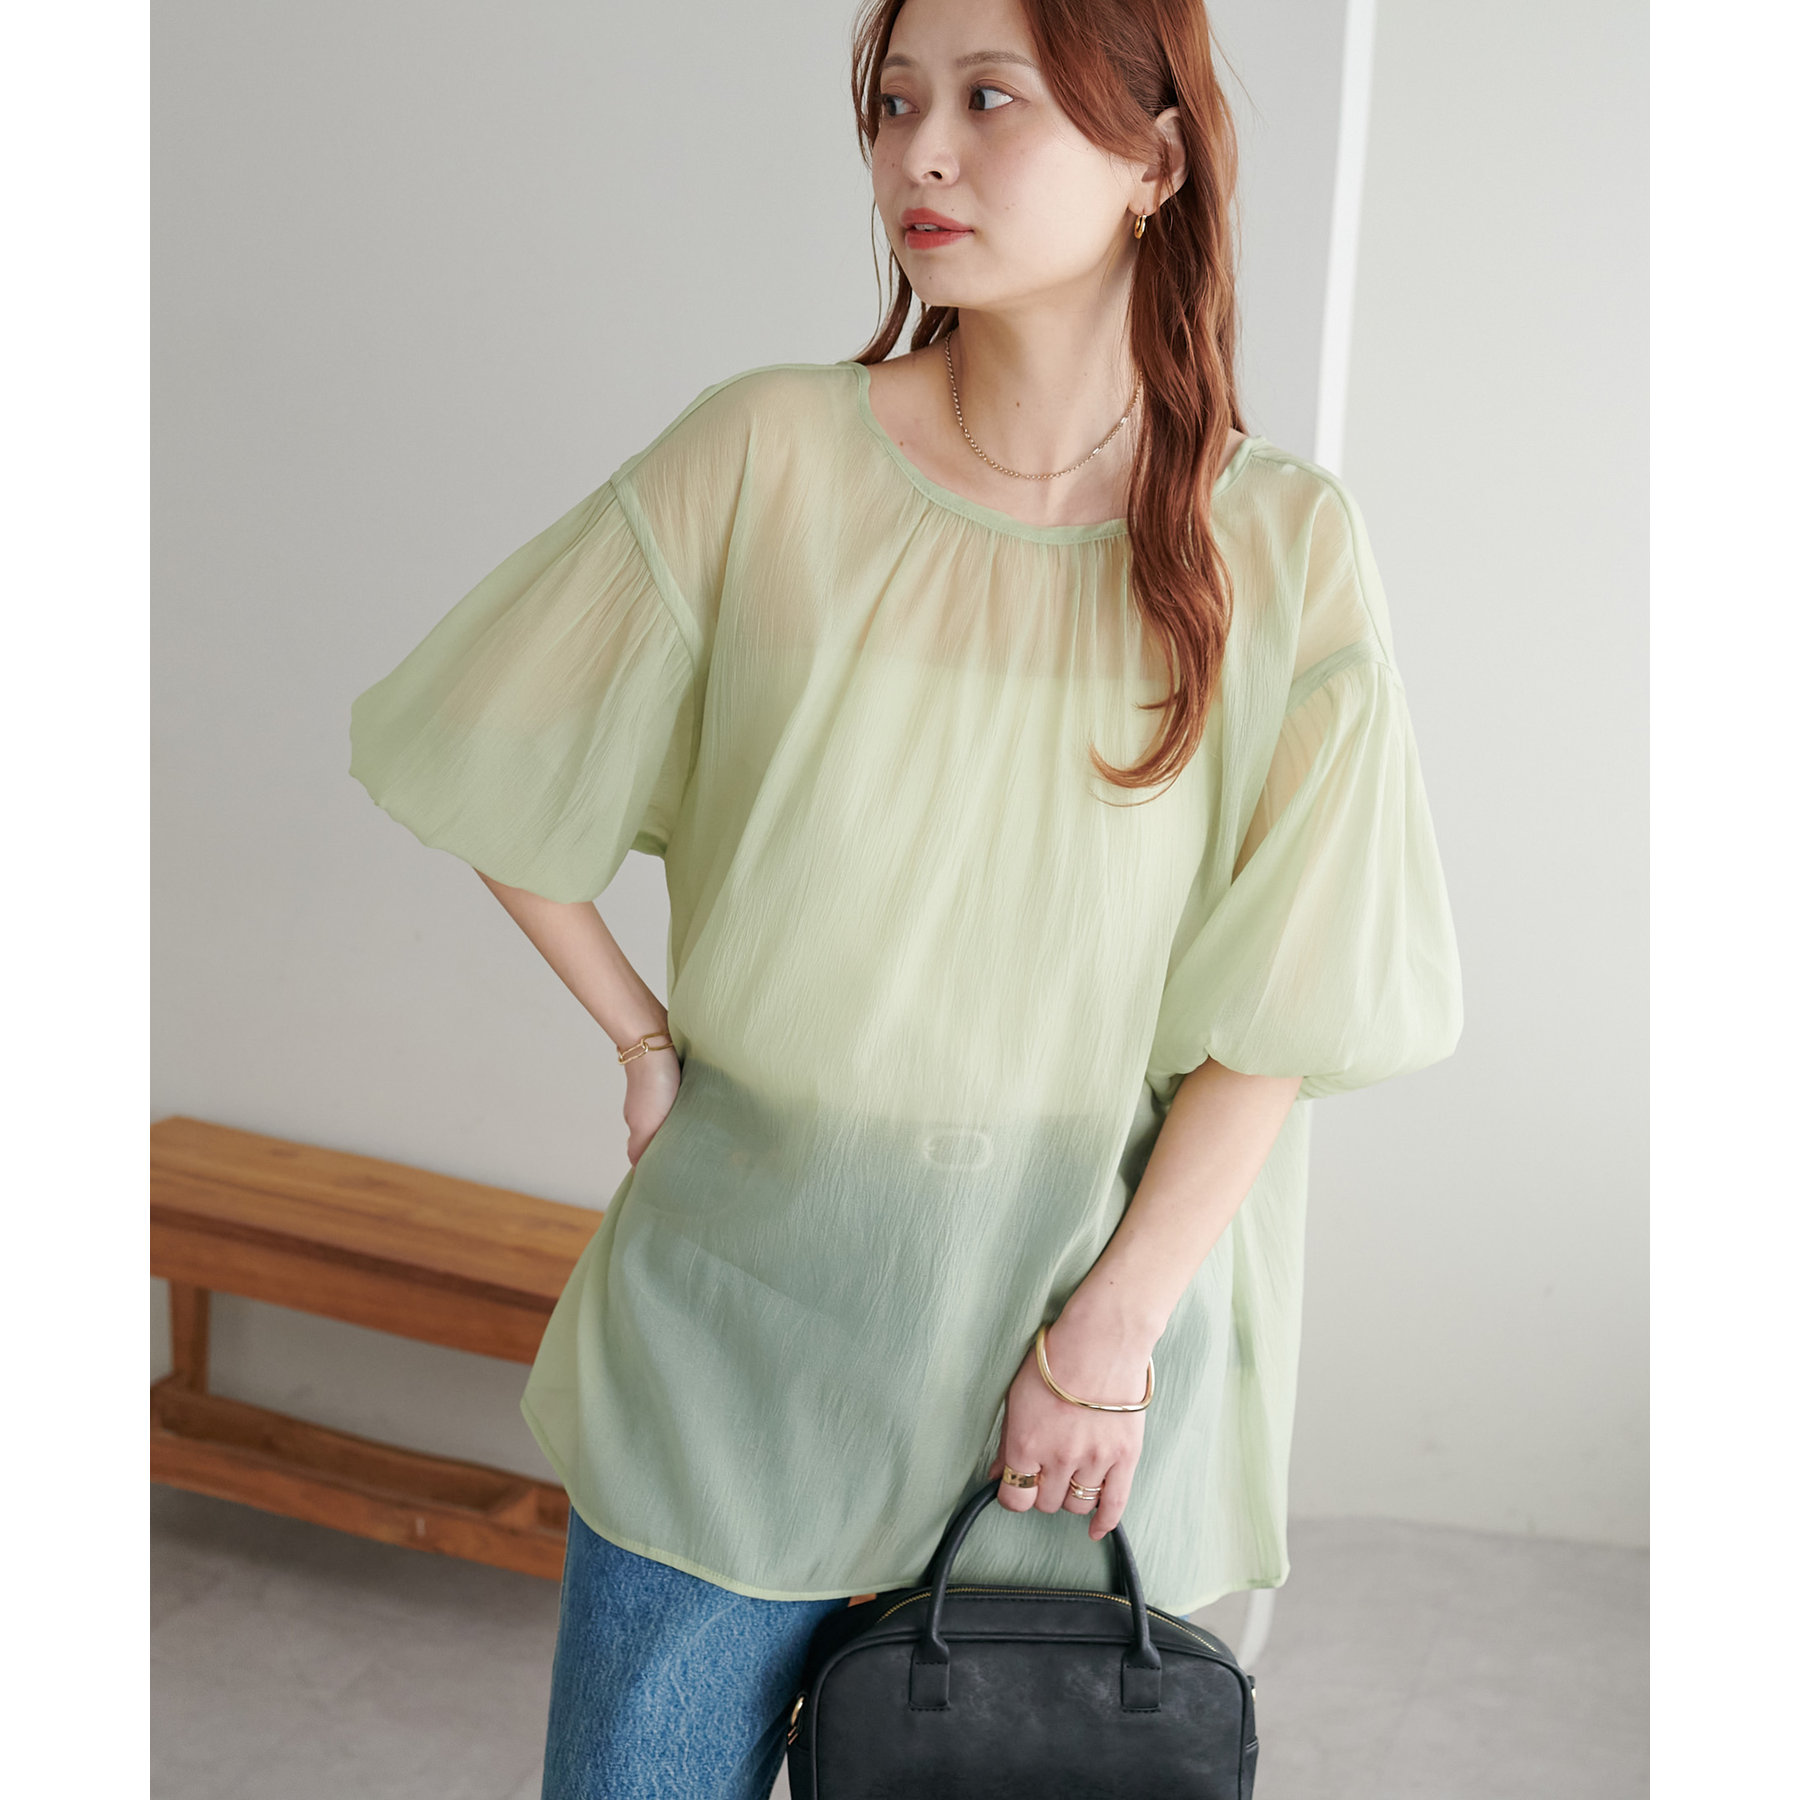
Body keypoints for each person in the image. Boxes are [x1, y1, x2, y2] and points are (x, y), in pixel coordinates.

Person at [347, 0, 1463, 1794]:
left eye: (988, 100)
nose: (918, 154)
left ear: (1155, 161)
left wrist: (1108, 1338)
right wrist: (640, 1039)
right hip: (741, 1322)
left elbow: (1293, 1001)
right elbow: (483, 738)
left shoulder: (1278, 542)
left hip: (1070, 1357)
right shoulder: (766, 454)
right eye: (890, 104)